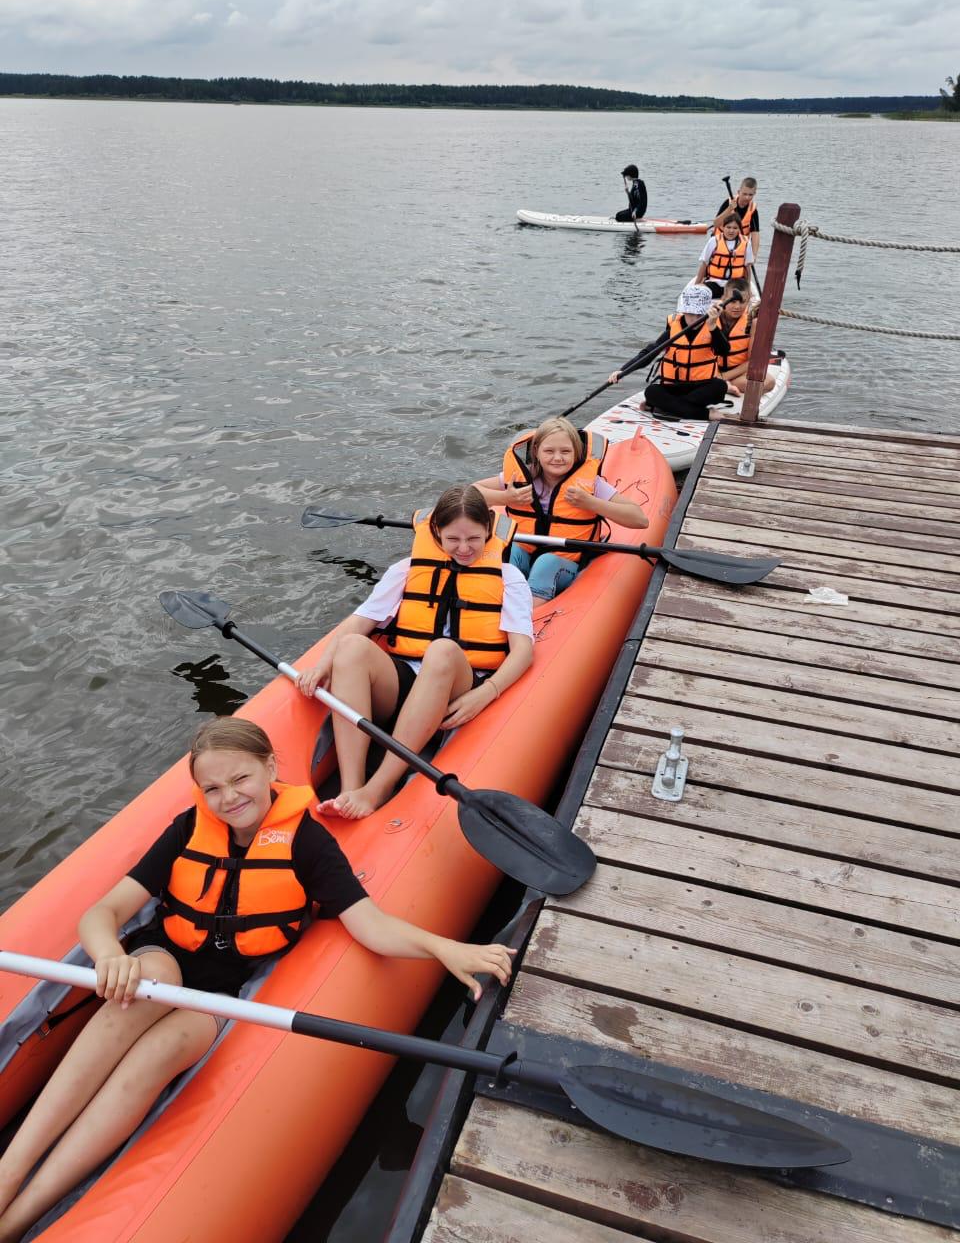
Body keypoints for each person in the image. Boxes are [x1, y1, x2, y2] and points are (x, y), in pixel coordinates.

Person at [0, 718, 516, 1242]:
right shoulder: (187, 828)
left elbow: (371, 926)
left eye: (240, 779)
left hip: (216, 996)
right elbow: (102, 913)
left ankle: (18, 1218)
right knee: (146, 982)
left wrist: (444, 948)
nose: (228, 797)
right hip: (163, 960)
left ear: (270, 767)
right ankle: (7, 1175)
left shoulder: (307, 844)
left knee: (161, 1052)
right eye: (212, 788)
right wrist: (110, 953)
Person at [296, 485, 534, 821]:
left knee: (442, 650)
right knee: (350, 646)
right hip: (406, 679)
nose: (464, 548)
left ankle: (378, 788)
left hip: (458, 683)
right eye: (453, 539)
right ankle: (351, 786)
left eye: (473, 539)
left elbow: (522, 651)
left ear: (488, 532)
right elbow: (358, 622)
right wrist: (322, 665)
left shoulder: (509, 577)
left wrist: (487, 693)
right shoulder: (406, 569)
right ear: (436, 532)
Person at [471, 416, 649, 603]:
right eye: (549, 451)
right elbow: (471, 492)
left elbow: (640, 520)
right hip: (525, 551)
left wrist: (591, 503)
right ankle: (492, 600)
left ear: (576, 453)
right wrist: (504, 498)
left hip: (565, 560)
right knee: (507, 550)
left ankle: (529, 609)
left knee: (545, 563)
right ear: (536, 452)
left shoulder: (592, 484)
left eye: (565, 451)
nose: (557, 458)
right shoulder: (521, 475)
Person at [607, 283, 738, 422]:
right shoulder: (673, 329)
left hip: (701, 386)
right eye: (691, 313)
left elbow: (724, 351)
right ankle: (703, 414)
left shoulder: (712, 327)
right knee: (651, 392)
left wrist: (712, 327)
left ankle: (663, 407)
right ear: (684, 311)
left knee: (720, 387)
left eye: (700, 314)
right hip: (674, 386)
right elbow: (649, 353)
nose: (695, 319)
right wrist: (623, 371)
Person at [716, 279, 776, 393]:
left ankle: (726, 385)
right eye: (733, 301)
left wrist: (724, 376)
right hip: (712, 372)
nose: (737, 306)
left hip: (738, 373)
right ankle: (723, 385)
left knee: (769, 382)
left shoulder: (752, 323)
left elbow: (753, 361)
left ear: (748, 301)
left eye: (742, 302)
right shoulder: (711, 318)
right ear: (723, 299)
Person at [695, 211, 754, 298]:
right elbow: (704, 264)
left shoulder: (746, 243)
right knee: (700, 294)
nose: (731, 231)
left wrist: (748, 289)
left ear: (739, 229)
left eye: (735, 228)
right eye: (728, 227)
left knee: (736, 296)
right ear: (723, 227)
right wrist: (696, 285)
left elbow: (748, 268)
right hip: (715, 282)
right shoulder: (714, 241)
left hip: (735, 284)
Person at [713, 176, 760, 260]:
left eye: (750, 195)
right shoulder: (728, 203)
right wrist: (729, 209)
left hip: (739, 246)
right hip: (720, 244)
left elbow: (755, 234)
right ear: (739, 192)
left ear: (754, 193)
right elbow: (716, 224)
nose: (747, 197)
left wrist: (754, 255)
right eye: (744, 194)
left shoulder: (753, 209)